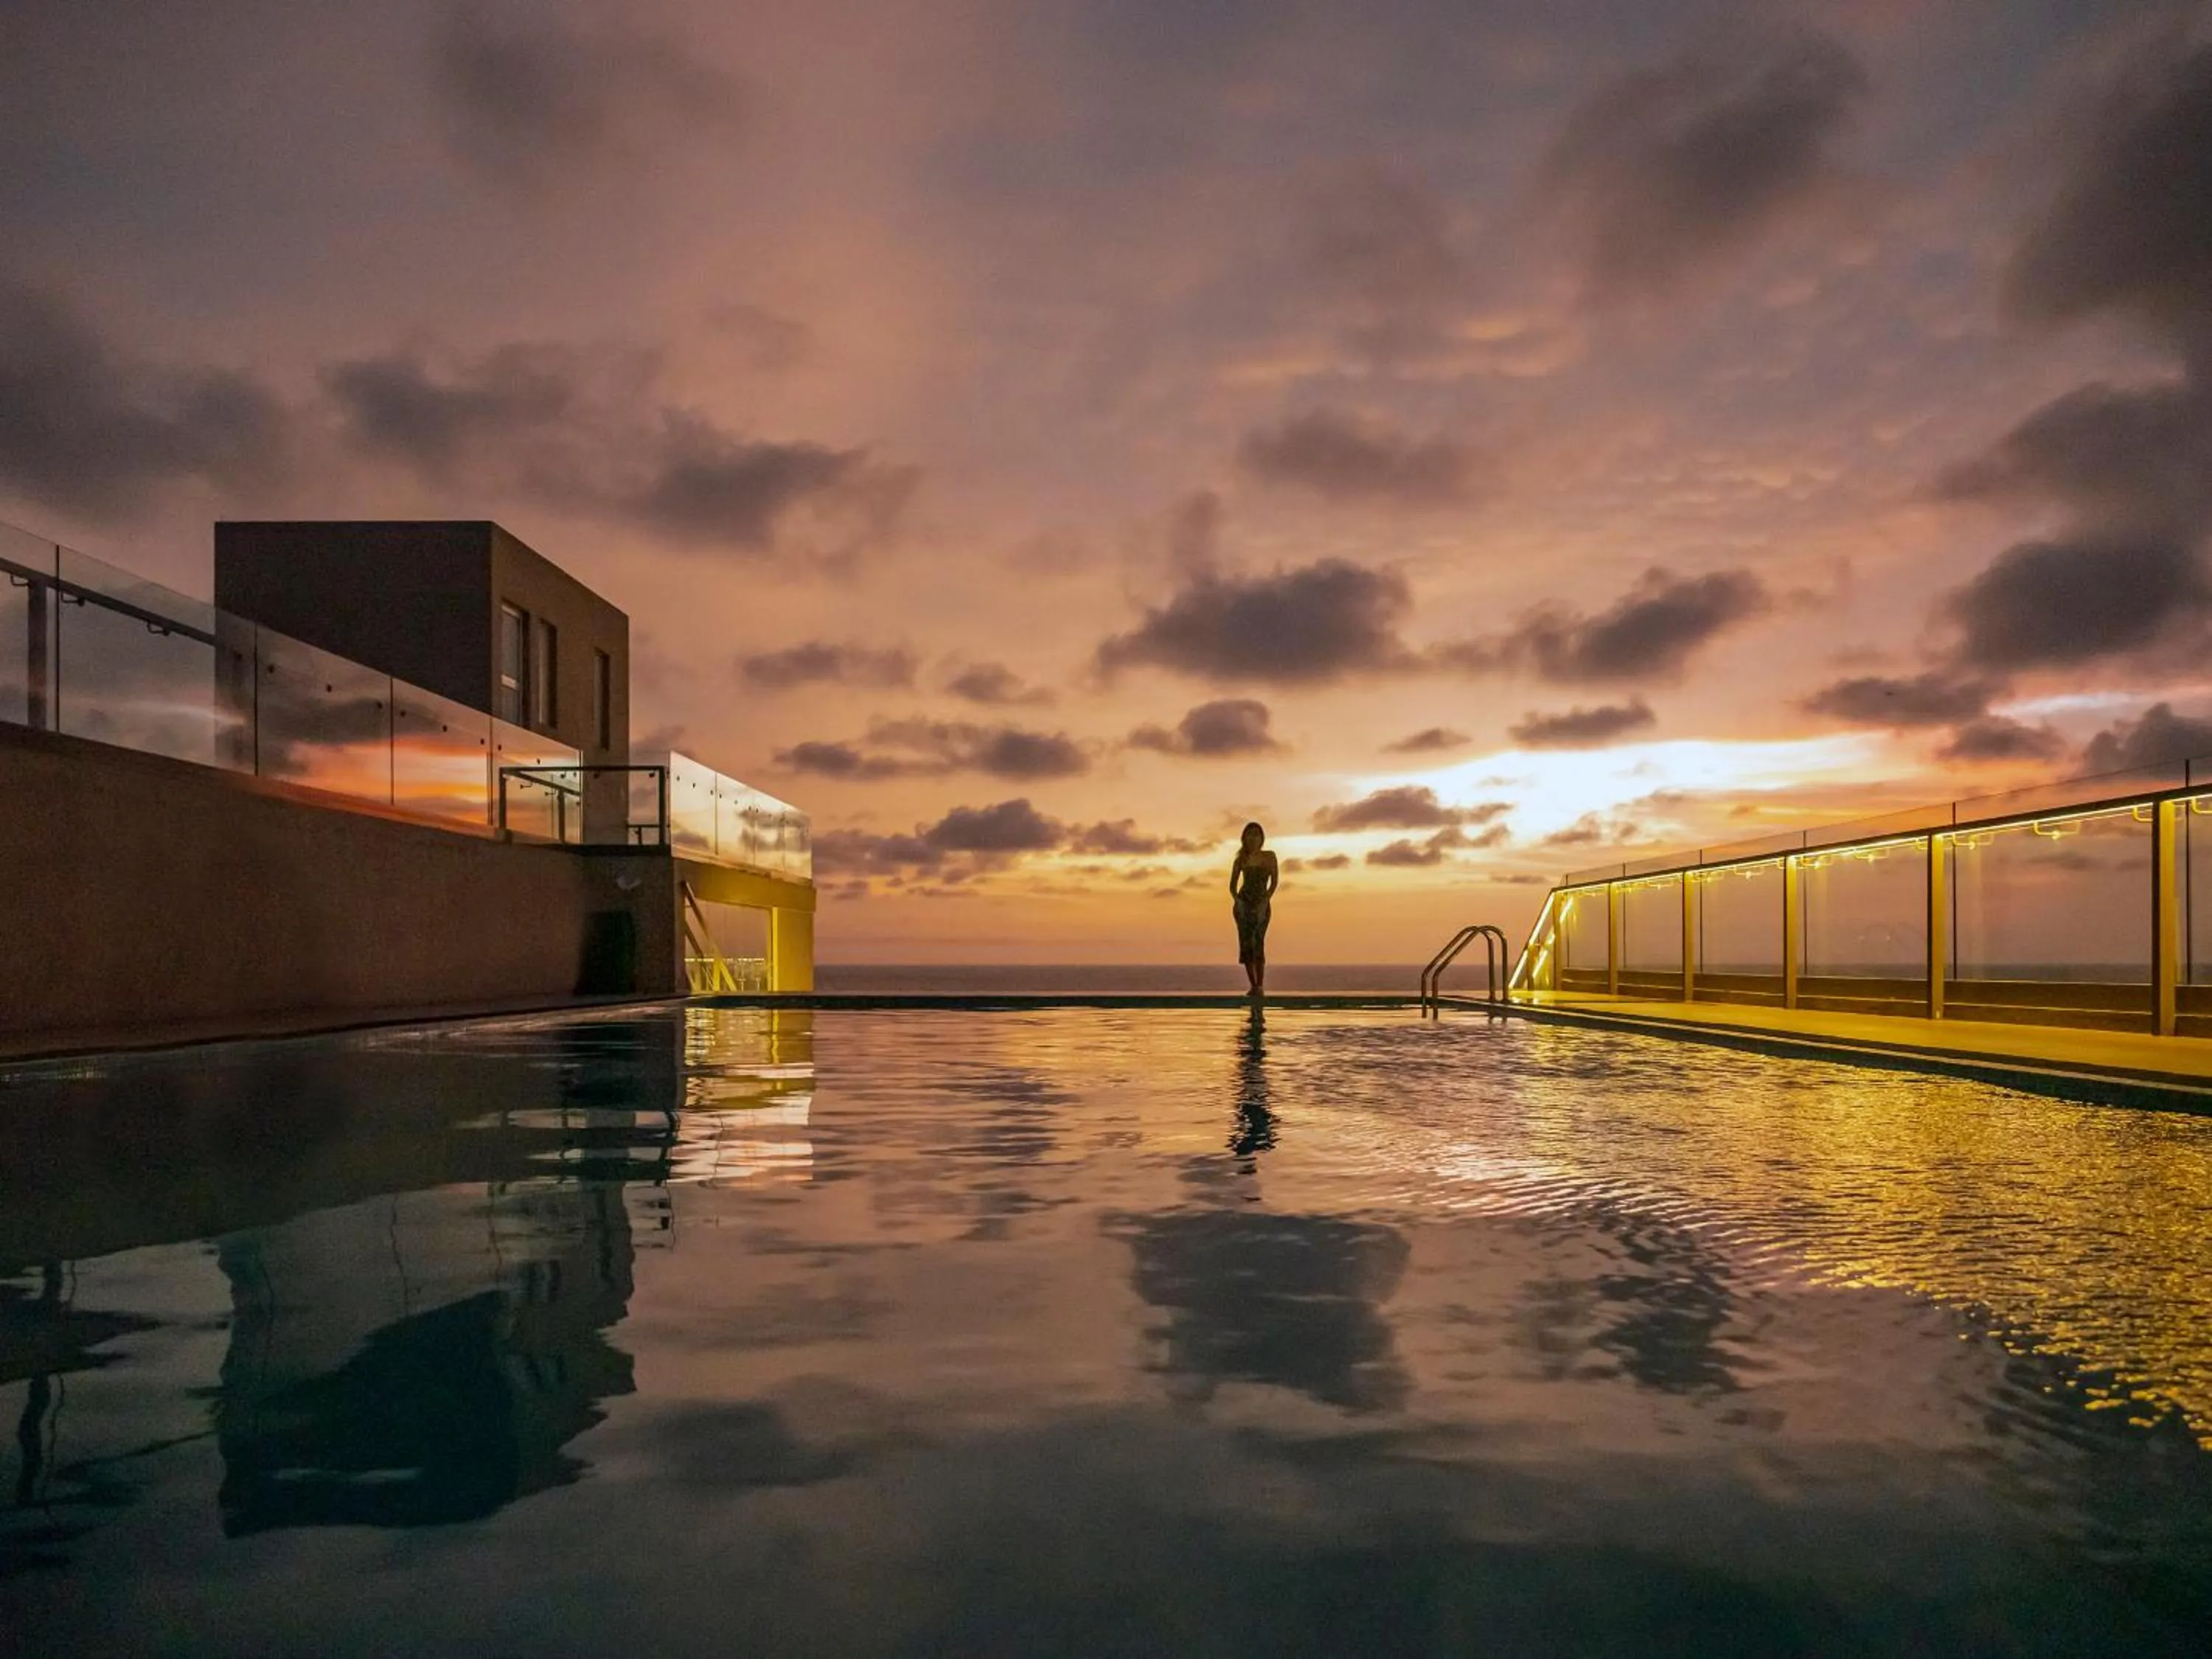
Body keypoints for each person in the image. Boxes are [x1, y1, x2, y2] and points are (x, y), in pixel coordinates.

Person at [1228, 821, 1279, 997]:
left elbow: (1274, 883)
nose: (1253, 837)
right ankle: (1254, 986)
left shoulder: (1270, 857)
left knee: (1258, 942)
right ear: (1245, 838)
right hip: (1244, 903)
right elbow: (1232, 887)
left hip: (1262, 903)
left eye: (1257, 834)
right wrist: (1239, 902)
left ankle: (1260, 985)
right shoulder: (1241, 859)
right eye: (1250, 834)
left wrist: (1265, 901)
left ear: (1261, 838)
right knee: (1246, 944)